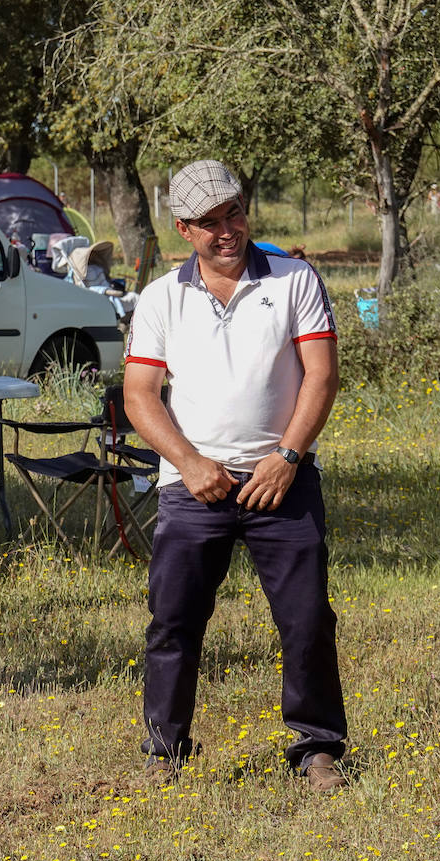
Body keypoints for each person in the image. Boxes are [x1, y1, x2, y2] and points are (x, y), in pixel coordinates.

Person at [123, 159, 348, 793]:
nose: (228, 231)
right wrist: (191, 464)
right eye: (210, 223)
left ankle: (318, 747)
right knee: (173, 621)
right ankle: (165, 748)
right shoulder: (162, 296)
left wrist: (288, 456)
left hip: (283, 478)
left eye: (235, 215)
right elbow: (140, 394)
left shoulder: (294, 278)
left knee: (306, 618)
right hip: (194, 488)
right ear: (182, 230)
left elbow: (321, 377)